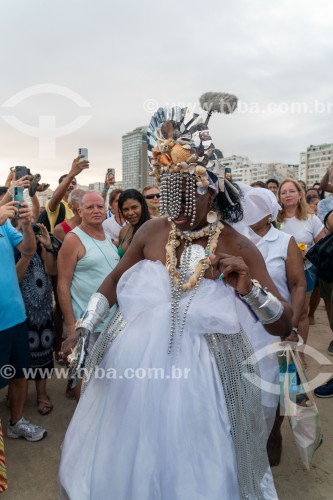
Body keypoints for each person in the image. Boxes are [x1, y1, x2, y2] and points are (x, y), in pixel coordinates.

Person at [59, 105, 292, 499]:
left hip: (209, 378)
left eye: (187, 196)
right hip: (135, 363)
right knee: (132, 446)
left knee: (200, 455)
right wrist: (83, 326)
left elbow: (283, 324)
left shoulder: (238, 244)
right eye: (169, 195)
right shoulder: (152, 230)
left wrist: (250, 289)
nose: (177, 210)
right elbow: (114, 280)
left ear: (212, 190)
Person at [240, 187, 306, 465]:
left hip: (276, 326)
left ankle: (272, 436)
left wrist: (290, 324)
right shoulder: (237, 240)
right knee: (245, 384)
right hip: (242, 324)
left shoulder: (284, 241)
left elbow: (297, 284)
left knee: (276, 385)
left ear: (268, 212)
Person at [57, 191, 120, 400]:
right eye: (90, 207)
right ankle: (83, 426)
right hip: (86, 326)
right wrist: (70, 325)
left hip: (112, 322)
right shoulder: (73, 239)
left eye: (100, 206)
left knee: (107, 379)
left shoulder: (109, 240)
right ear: (79, 211)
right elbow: (63, 285)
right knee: (83, 378)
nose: (96, 211)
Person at [0, 200, 47, 441]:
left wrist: (27, 225)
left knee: (19, 374)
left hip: (15, 316)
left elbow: (28, 250)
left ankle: (16, 421)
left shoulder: (5, 224)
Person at [277, 178, 325, 365]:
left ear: (299, 194)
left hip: (305, 271)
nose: (287, 195)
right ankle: (282, 350)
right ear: (279, 197)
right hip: (280, 273)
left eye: (291, 191)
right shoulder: (274, 220)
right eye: (283, 192)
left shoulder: (311, 219)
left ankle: (301, 353)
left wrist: (307, 253)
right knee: (282, 313)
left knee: (302, 313)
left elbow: (322, 245)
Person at [15, 223, 57, 416]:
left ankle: (42, 395)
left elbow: (51, 270)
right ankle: (14, 396)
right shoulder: (12, 245)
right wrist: (27, 251)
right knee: (18, 354)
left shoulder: (39, 242)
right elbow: (16, 278)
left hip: (42, 308)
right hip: (21, 309)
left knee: (43, 349)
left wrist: (47, 247)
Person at [40, 155, 89, 232]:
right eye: (68, 183)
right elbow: (55, 200)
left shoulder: (79, 206)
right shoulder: (57, 205)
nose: (70, 185)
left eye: (73, 183)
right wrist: (71, 173)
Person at [117, 189, 151, 257]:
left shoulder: (156, 225)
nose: (130, 213)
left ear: (142, 206)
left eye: (134, 207)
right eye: (125, 209)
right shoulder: (123, 231)